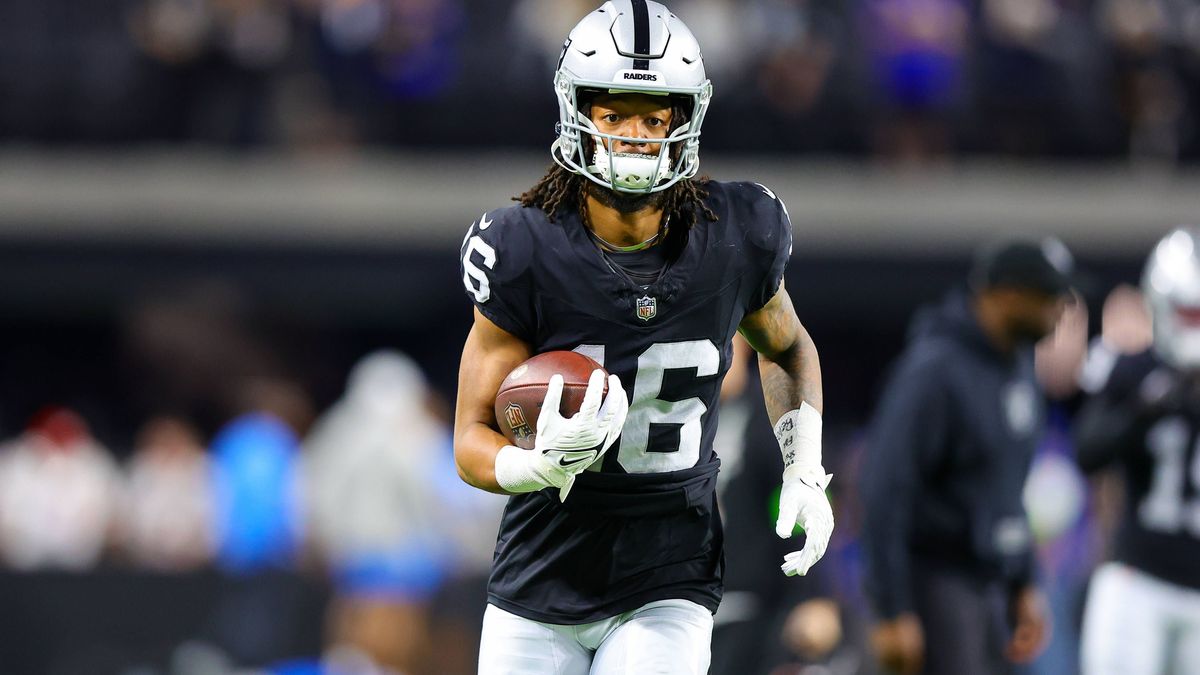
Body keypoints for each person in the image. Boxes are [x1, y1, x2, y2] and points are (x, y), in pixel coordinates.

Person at [453, 2, 834, 673]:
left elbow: (787, 345)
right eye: (615, 113)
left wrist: (804, 464)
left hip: (670, 570)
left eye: (654, 116)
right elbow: (469, 439)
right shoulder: (522, 246)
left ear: (685, 120)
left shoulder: (737, 232)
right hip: (543, 568)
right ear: (578, 112)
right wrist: (532, 466)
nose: (635, 134)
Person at [859, 239, 1065, 675]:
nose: (1061, 308)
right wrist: (891, 609)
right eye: (1048, 296)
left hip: (992, 584)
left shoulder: (1019, 364)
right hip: (937, 580)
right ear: (1006, 295)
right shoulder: (934, 370)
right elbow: (885, 485)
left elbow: (1006, 485)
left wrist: (1023, 580)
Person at [1074, 226, 1200, 675]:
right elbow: (1087, 452)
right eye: (1189, 315)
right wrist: (1144, 410)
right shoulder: (1135, 369)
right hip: (1138, 580)